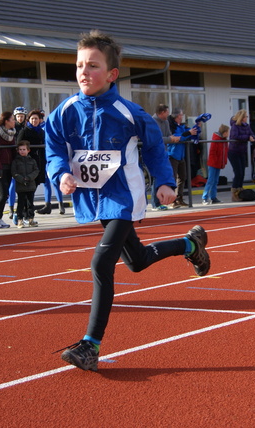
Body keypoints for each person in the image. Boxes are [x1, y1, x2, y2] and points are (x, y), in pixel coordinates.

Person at [45, 30, 210, 372]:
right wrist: (60, 173)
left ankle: (90, 345)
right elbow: (54, 149)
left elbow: (153, 149)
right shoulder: (64, 112)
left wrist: (164, 182)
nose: (83, 72)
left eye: (92, 66)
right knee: (136, 261)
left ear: (111, 74)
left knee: (101, 263)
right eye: (79, 65)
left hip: (123, 196)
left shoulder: (129, 112)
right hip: (94, 198)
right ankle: (189, 245)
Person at [151, 104, 180, 210]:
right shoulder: (152, 121)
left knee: (162, 176)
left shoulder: (166, 121)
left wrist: (172, 138)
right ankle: (155, 203)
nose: (168, 114)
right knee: (156, 178)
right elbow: (156, 139)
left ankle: (160, 202)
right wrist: (170, 139)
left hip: (164, 152)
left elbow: (168, 135)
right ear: (162, 112)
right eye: (167, 112)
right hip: (153, 152)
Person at [167, 108, 198, 208]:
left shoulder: (182, 126)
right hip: (172, 154)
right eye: (181, 115)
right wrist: (189, 133)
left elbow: (188, 133)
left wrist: (197, 125)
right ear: (176, 116)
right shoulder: (171, 126)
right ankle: (172, 201)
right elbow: (177, 137)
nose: (182, 117)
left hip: (181, 155)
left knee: (182, 177)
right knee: (173, 178)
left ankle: (179, 198)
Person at [11, 140, 40, 228]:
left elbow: (36, 171)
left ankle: (31, 219)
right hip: (21, 186)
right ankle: (20, 220)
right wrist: (21, 179)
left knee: (30, 204)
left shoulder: (32, 160)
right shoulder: (15, 161)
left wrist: (29, 177)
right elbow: (14, 172)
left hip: (30, 186)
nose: (22, 151)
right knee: (21, 204)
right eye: (20, 149)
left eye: (24, 149)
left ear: (28, 150)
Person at [228, 109, 255, 202]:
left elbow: (252, 134)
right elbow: (234, 136)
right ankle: (234, 192)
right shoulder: (235, 126)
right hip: (234, 151)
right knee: (238, 172)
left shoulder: (247, 126)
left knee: (242, 172)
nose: (247, 118)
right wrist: (247, 137)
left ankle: (240, 190)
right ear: (242, 118)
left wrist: (251, 137)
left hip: (242, 151)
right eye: (246, 117)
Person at [202, 124, 229, 204]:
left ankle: (213, 197)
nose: (228, 133)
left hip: (218, 163)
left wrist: (223, 162)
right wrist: (218, 162)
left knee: (215, 181)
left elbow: (225, 152)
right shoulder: (217, 140)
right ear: (224, 132)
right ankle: (205, 197)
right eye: (227, 132)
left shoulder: (224, 140)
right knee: (210, 180)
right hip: (214, 163)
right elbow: (212, 153)